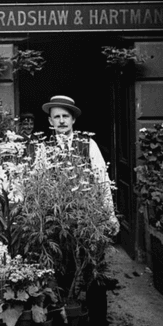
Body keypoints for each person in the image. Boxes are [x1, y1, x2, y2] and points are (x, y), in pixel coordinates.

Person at [41, 95, 120, 235]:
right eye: (56, 117)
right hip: (56, 218)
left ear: (73, 119)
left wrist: (110, 215)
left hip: (86, 216)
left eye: (65, 116)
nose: (61, 121)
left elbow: (102, 180)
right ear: (50, 120)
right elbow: (39, 182)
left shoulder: (88, 144)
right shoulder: (44, 147)